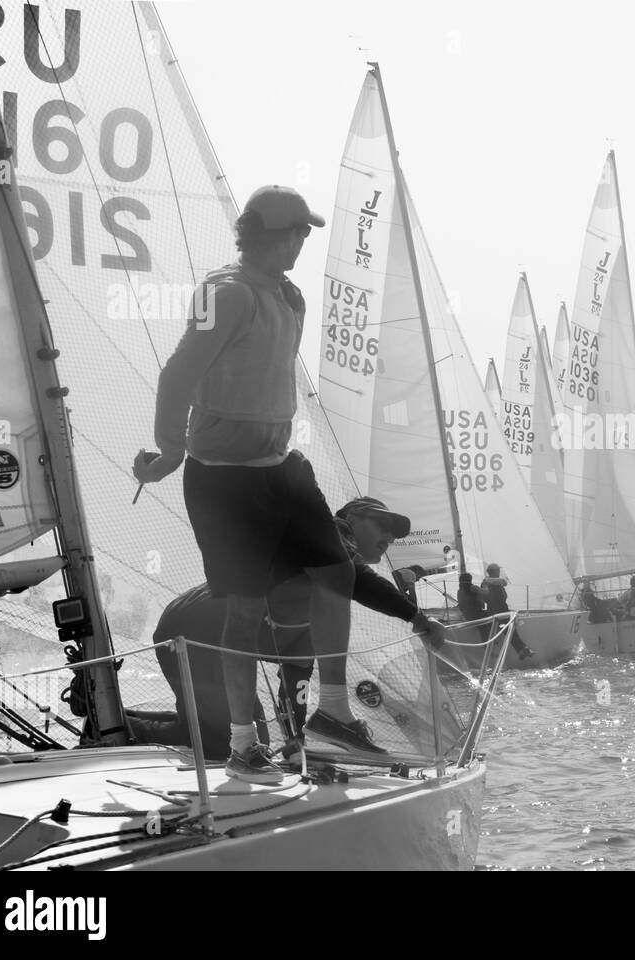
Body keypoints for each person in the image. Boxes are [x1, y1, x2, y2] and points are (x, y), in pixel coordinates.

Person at [131, 185, 380, 783]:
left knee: (336, 572)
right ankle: (244, 745)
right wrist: (170, 450)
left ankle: (334, 712)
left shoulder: (289, 297)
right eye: (295, 231)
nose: (303, 241)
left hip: (277, 468)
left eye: (306, 232)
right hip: (223, 482)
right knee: (244, 610)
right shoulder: (228, 292)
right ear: (264, 233)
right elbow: (178, 373)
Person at [126, 497, 446, 762]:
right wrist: (417, 618)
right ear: (350, 519)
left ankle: (119, 719)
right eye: (382, 524)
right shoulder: (326, 538)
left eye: (393, 536)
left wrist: (295, 742)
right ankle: (126, 727)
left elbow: (295, 681)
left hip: (209, 635)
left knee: (253, 737)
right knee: (223, 744)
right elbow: (357, 576)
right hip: (193, 630)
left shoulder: (320, 608)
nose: (390, 537)